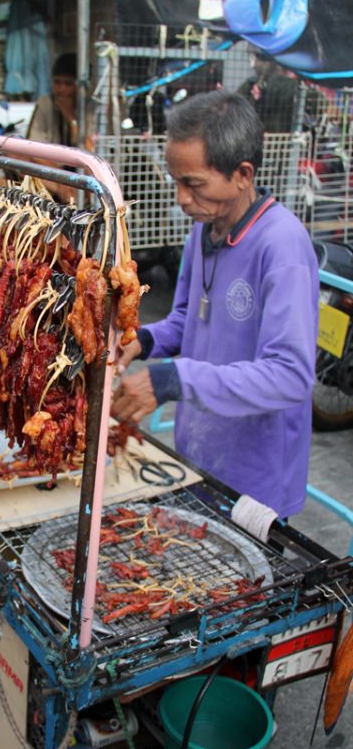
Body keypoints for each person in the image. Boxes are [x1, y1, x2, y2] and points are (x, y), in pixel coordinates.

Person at [112, 91, 318, 518]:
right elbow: (191, 318)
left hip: (255, 481)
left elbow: (290, 375)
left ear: (243, 174)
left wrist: (173, 381)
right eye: (176, 181)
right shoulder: (202, 231)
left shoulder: (282, 245)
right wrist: (143, 341)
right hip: (200, 454)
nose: (181, 198)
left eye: (194, 184)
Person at [27, 53, 94, 202]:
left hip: (80, 169)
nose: (61, 89)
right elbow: (34, 149)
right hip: (54, 170)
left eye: (68, 84)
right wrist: (61, 181)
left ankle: (85, 203)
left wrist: (71, 118)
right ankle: (65, 194)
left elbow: (91, 150)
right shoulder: (46, 103)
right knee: (16, 155)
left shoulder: (89, 107)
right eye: (57, 83)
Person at [237, 52, 298, 133]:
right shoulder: (251, 83)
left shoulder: (288, 85)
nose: (253, 65)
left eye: (257, 60)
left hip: (276, 132)